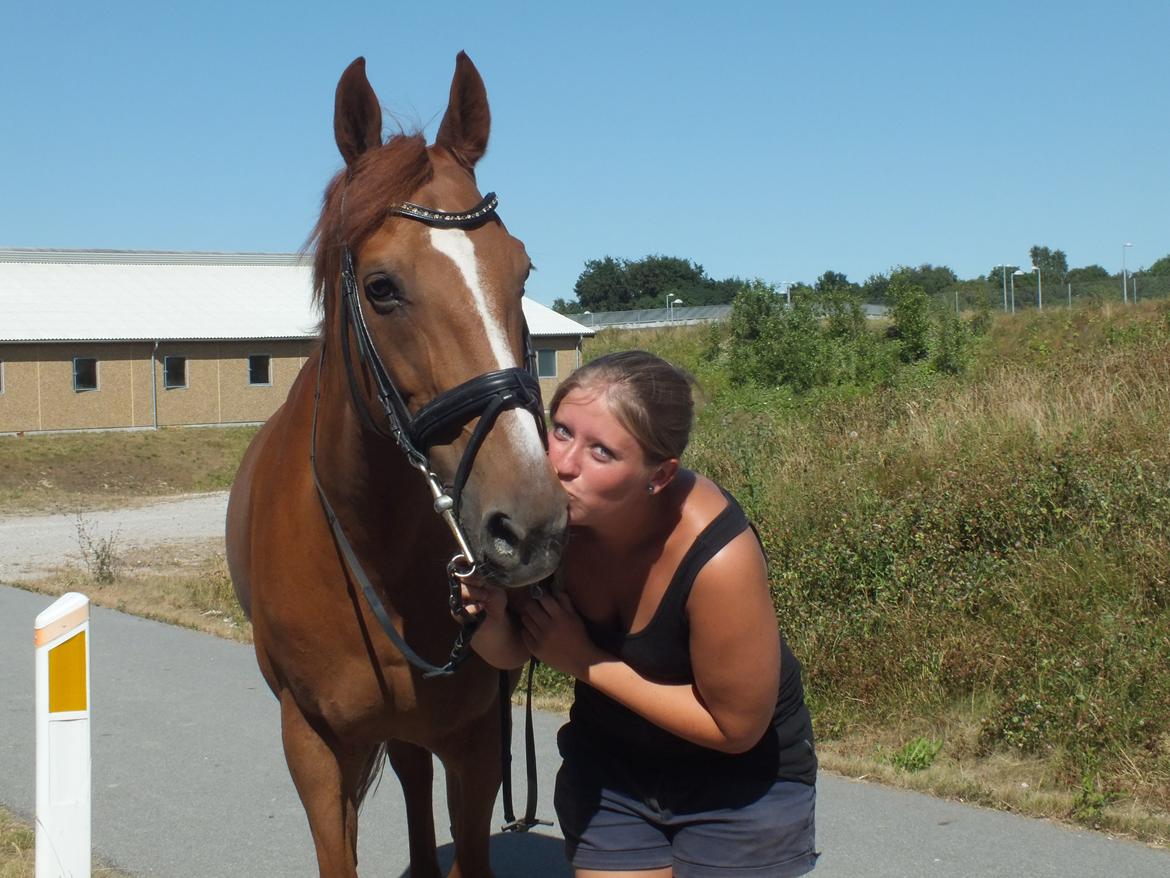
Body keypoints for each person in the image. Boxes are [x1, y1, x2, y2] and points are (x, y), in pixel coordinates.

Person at [466, 350, 818, 878]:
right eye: (561, 431)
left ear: (659, 475)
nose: (563, 464)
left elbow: (736, 728)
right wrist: (487, 616)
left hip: (741, 788)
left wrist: (585, 662)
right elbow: (514, 648)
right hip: (614, 772)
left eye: (602, 451)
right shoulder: (553, 522)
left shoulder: (718, 558)